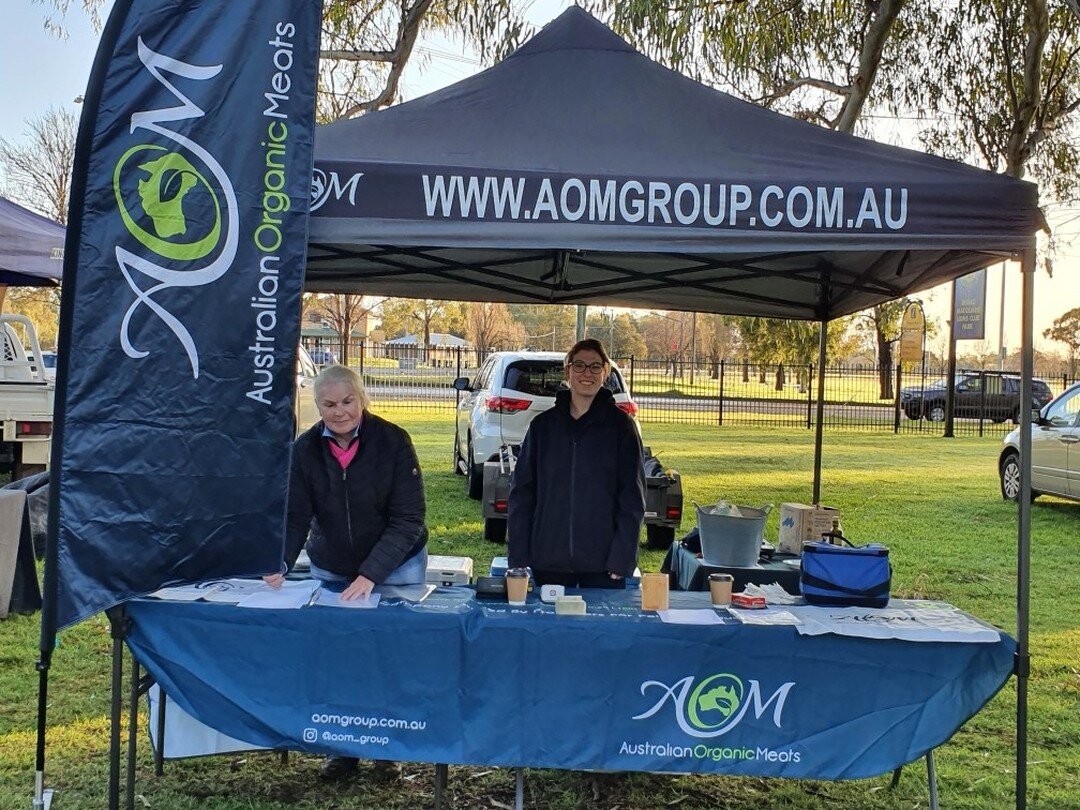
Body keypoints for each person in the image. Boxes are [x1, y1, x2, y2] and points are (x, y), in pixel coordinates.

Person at [264, 363, 427, 780]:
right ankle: (342, 747)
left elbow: (408, 520)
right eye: (329, 404)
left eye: (347, 401)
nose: (339, 412)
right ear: (317, 405)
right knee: (339, 658)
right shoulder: (304, 450)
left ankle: (387, 748)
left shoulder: (394, 441)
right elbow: (296, 515)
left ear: (362, 398)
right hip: (332, 568)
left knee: (387, 657)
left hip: (396, 568)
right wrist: (279, 561)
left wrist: (371, 574)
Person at [507, 339, 645, 588]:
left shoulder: (621, 428)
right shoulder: (543, 427)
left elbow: (632, 498)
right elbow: (522, 493)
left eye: (595, 367)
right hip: (548, 560)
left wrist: (622, 558)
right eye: (579, 365)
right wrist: (518, 555)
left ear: (605, 373)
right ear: (567, 371)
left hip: (603, 565)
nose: (586, 373)